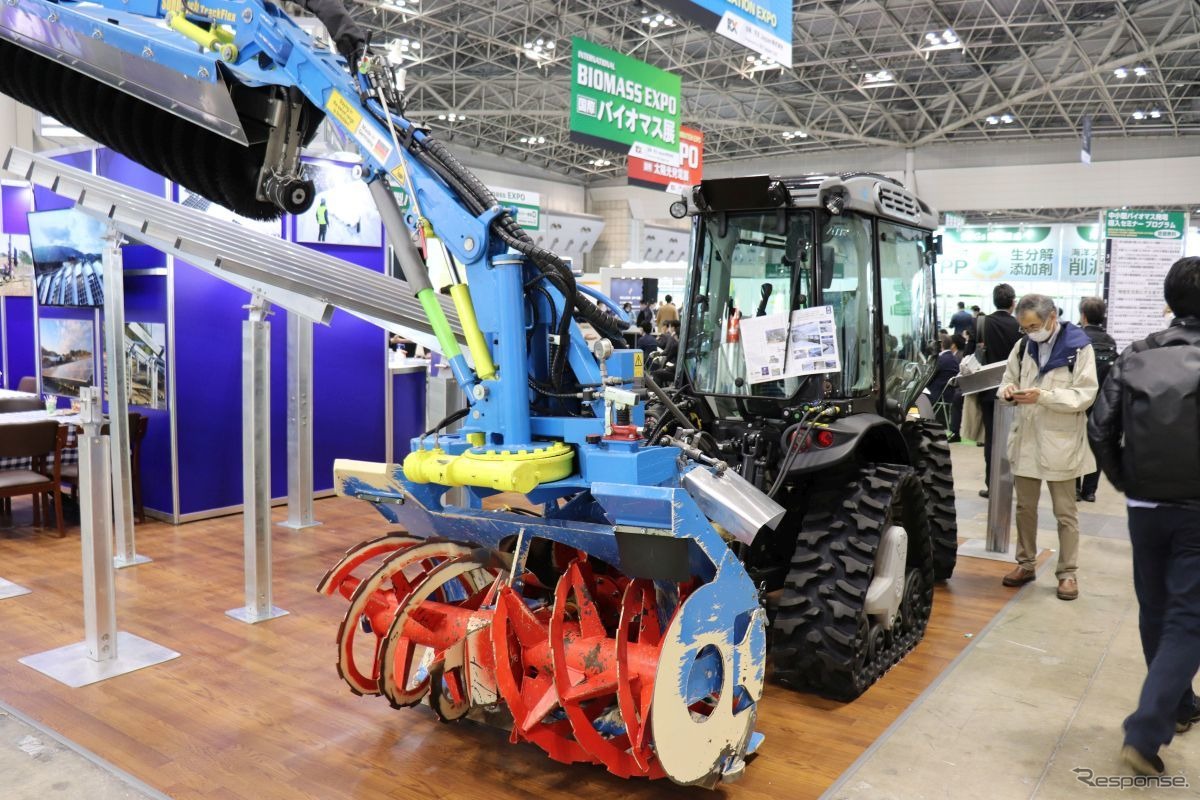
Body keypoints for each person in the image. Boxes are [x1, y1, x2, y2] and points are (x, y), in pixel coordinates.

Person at [1088, 257, 1200, 777]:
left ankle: (1177, 705)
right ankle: (1145, 729)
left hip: (1145, 506)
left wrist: (1126, 483)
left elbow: (1100, 428)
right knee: (1189, 617)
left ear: (1168, 299)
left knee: (1156, 608)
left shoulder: (1137, 353)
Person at [997, 294, 1098, 601]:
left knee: (1065, 512)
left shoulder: (1079, 347)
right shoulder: (1022, 346)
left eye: (1034, 325)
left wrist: (1044, 396)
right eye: (1025, 327)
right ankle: (1025, 564)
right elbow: (1005, 382)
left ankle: (1067, 573)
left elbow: (1085, 395)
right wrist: (1009, 391)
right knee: (1025, 508)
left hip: (1061, 441)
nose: (1030, 332)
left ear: (1052, 317)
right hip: (1026, 439)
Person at [976, 283, 1022, 497]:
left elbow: (970, 356)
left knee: (992, 440)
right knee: (1012, 437)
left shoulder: (982, 323)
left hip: (987, 390)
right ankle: (1010, 483)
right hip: (1014, 390)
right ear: (1013, 303)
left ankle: (991, 484)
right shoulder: (1020, 326)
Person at [1076, 296, 1118, 502]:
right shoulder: (1110, 341)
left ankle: (1074, 488)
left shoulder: (1076, 338)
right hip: (1101, 401)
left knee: (1075, 442)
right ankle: (1089, 490)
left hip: (1079, 398)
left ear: (1083, 316)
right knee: (1097, 445)